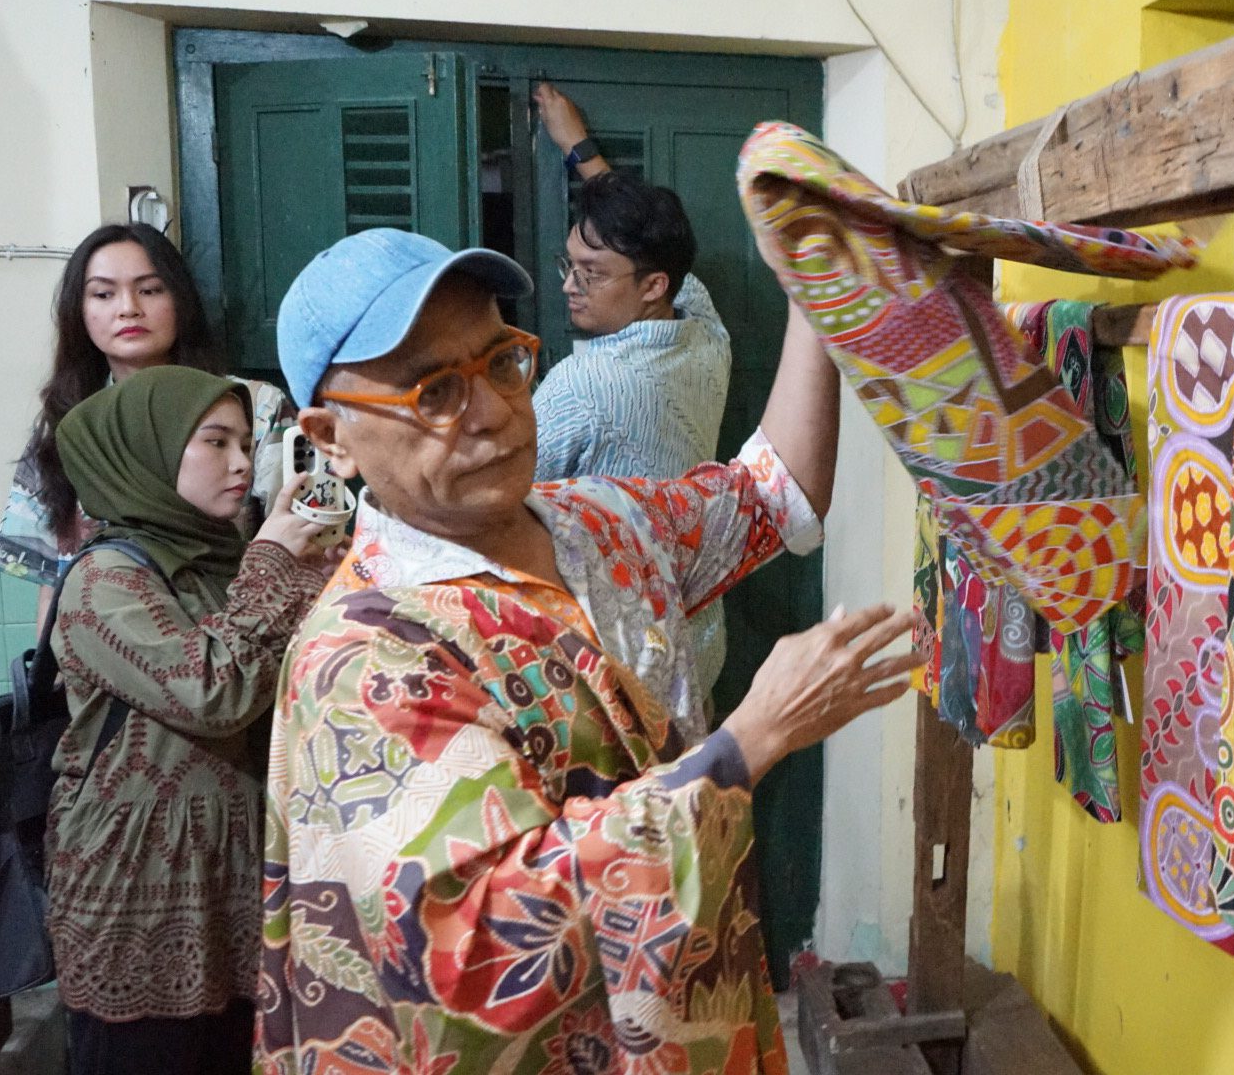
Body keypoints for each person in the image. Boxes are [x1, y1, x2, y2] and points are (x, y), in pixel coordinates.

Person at [257, 228, 917, 1073]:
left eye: (502, 364)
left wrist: (812, 302)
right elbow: (479, 941)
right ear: (332, 436)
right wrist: (749, 742)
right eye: (433, 393)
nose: (493, 411)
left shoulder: (597, 523)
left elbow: (770, 493)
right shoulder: (363, 656)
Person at [46, 366, 330, 1073]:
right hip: (136, 892)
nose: (241, 463)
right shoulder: (105, 579)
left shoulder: (224, 559)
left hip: (235, 880)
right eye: (215, 442)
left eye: (246, 442)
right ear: (148, 450)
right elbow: (213, 692)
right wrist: (273, 560)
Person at [532, 82, 733, 739]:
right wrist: (580, 152)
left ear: (651, 288)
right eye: (570, 263)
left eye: (590, 273)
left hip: (616, 680)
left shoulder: (579, 386)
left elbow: (502, 501)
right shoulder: (705, 332)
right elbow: (658, 250)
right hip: (699, 647)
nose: (568, 284)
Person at [0, 223, 293, 621]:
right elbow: (53, 577)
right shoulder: (66, 424)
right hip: (104, 653)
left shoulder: (257, 405)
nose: (128, 307)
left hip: (232, 639)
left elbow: (298, 539)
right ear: (79, 311)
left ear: (180, 301)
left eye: (149, 290)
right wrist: (49, 679)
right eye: (103, 294)